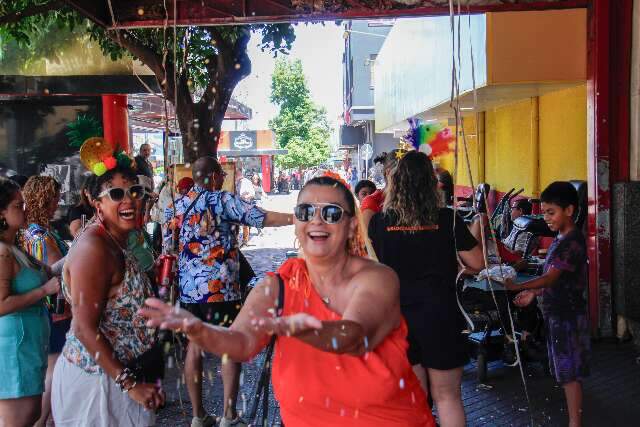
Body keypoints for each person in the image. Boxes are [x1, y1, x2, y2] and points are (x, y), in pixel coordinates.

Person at [141, 174, 436, 427]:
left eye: (331, 213)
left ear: (350, 226)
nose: (316, 220)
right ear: (295, 222)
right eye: (305, 211)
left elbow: (354, 336)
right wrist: (197, 328)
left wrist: (298, 328)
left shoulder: (378, 278)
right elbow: (241, 344)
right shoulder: (277, 286)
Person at [169, 157, 293, 427]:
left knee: (195, 346)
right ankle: (228, 415)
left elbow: (169, 245)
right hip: (220, 289)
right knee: (228, 345)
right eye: (220, 175)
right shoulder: (219, 200)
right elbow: (261, 217)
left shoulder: (177, 205)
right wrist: (298, 217)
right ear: (214, 176)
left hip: (189, 290)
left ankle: (198, 416)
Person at [368, 151, 483, 427]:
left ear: (396, 183)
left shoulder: (379, 222)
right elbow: (477, 262)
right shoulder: (447, 219)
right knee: (448, 398)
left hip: (398, 319)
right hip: (441, 315)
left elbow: (373, 266)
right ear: (432, 184)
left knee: (415, 401)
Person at [52, 165, 163, 426]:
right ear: (97, 203)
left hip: (117, 379)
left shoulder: (116, 238)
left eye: (135, 191)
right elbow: (83, 329)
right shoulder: (94, 247)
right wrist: (129, 384)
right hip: (99, 385)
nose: (129, 200)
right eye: (116, 194)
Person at [505, 181, 590, 427]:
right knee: (564, 372)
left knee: (569, 373)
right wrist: (535, 294)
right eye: (544, 213)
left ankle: (575, 423)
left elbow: (551, 277)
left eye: (551, 212)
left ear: (570, 210)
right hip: (558, 313)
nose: (547, 218)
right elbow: (555, 280)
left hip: (568, 316)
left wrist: (519, 286)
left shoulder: (572, 242)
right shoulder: (560, 237)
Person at [0, 177, 60, 427]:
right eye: (17, 205)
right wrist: (44, 290)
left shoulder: (14, 247)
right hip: (15, 348)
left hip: (28, 345)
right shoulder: (3, 252)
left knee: (31, 413)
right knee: (19, 417)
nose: (25, 210)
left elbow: (49, 270)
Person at [20, 176, 71, 427]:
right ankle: (41, 422)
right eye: (54, 199)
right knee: (53, 367)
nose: (57, 204)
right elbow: (53, 269)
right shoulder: (39, 235)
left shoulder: (28, 232)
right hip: (56, 308)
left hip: (48, 309)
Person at [361, 150, 403, 229]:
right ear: (388, 173)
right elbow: (367, 239)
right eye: (403, 172)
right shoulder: (371, 202)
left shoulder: (418, 199)